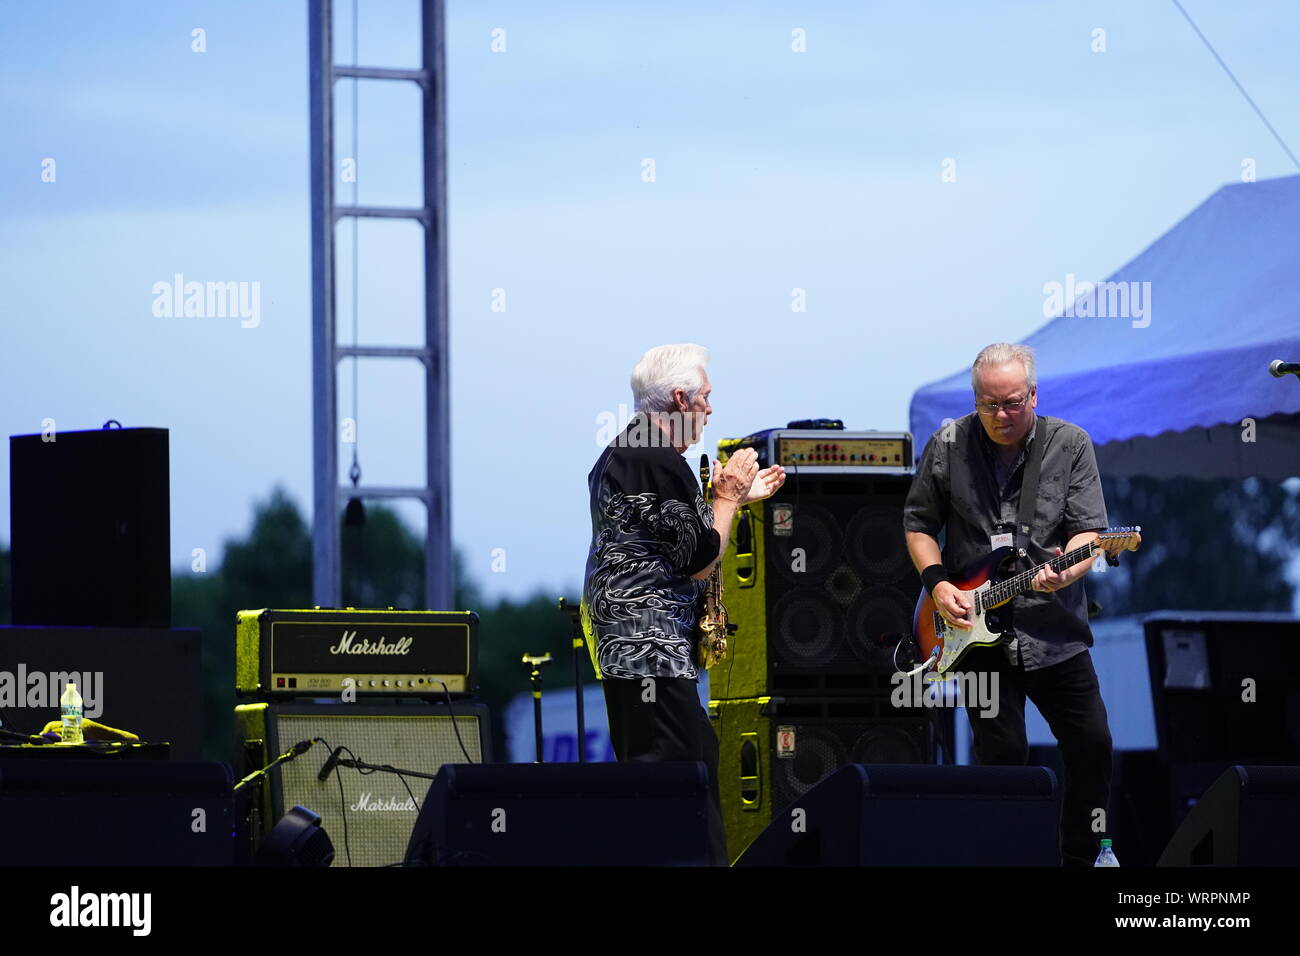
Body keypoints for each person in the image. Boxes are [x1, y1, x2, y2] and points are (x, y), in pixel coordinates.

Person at [903, 342, 1123, 866]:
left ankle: (1086, 856)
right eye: (989, 404)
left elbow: (1089, 532)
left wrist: (1067, 569)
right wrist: (938, 586)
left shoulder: (1069, 444)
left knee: (1092, 743)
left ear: (1034, 394)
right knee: (1002, 758)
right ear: (974, 398)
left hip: (1055, 630)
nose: (1001, 416)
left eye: (1013, 403)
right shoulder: (948, 442)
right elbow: (917, 526)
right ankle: (1010, 855)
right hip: (975, 634)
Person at [581, 343, 785, 865]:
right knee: (679, 781)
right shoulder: (653, 455)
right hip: (649, 650)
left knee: (687, 762)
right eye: (706, 398)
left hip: (634, 652)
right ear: (679, 397)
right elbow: (697, 557)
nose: (711, 410)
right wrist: (728, 497)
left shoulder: (631, 451)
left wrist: (735, 498)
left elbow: (674, 534)